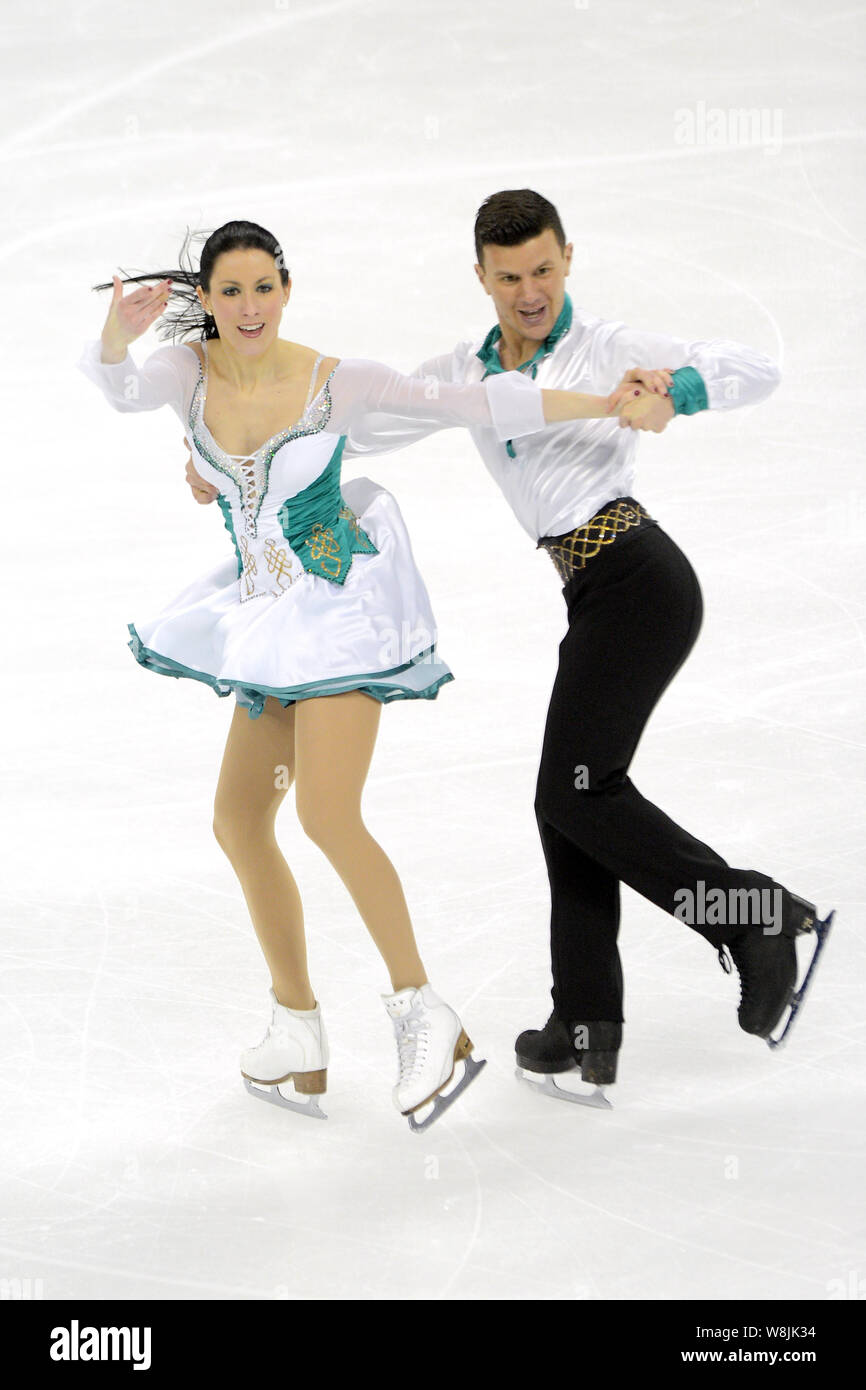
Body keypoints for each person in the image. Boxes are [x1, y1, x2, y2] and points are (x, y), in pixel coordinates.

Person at [186, 192, 833, 1108]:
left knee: (579, 793)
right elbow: (363, 417)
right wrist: (230, 446)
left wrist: (675, 394)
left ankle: (758, 919)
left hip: (641, 581)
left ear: (568, 257)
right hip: (593, 592)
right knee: (569, 799)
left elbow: (754, 366)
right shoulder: (468, 372)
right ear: (482, 277)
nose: (531, 292)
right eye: (510, 276)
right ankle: (586, 1023)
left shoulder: (607, 347)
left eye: (544, 270)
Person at [77, 218, 625, 1129]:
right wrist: (117, 334)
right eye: (231, 292)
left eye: (264, 288)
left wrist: (603, 403)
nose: (250, 307)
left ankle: (424, 1010)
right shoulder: (187, 375)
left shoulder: (341, 383)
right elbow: (119, 387)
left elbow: (477, 402)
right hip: (266, 620)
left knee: (326, 811)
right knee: (239, 818)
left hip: (340, 608)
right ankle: (298, 1028)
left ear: (286, 290)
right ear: (206, 302)